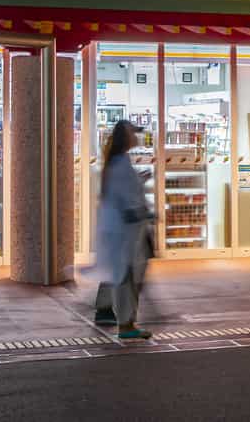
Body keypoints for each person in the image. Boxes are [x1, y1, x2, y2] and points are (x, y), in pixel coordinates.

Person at [93, 120, 154, 339]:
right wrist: (146, 214)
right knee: (126, 278)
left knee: (122, 275)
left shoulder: (118, 161)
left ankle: (118, 317)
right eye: (133, 133)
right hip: (126, 232)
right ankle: (126, 324)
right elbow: (126, 200)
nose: (137, 137)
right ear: (125, 136)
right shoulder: (120, 164)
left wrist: (139, 180)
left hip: (122, 231)